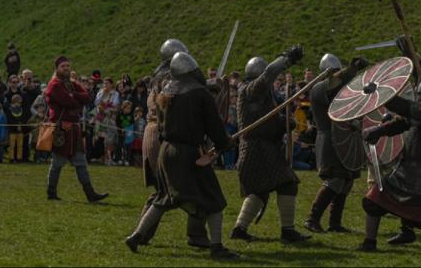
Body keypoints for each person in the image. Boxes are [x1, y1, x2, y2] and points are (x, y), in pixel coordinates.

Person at [126, 50, 238, 260]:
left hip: (166, 151)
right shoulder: (200, 94)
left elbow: (161, 125)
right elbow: (213, 124)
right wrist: (225, 143)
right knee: (214, 200)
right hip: (188, 154)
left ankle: (136, 235)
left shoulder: (166, 91)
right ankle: (217, 247)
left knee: (164, 198)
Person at [357, 69, 421, 252]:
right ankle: (369, 242)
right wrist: (376, 132)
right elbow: (402, 122)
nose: (419, 98)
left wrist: (380, 94)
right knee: (373, 201)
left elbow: (405, 108)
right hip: (406, 166)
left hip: (419, 170)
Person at [231, 46, 310, 244]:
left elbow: (266, 119)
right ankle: (287, 231)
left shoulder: (258, 94)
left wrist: (285, 122)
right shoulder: (250, 90)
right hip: (257, 150)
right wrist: (286, 58)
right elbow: (268, 75)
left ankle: (240, 229)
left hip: (263, 149)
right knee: (285, 184)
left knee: (263, 189)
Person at [304, 53, 369, 234]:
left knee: (346, 181)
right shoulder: (318, 88)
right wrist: (352, 68)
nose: (336, 74)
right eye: (334, 72)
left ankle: (335, 223)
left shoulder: (339, 89)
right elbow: (333, 87)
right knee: (335, 180)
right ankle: (312, 219)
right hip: (328, 138)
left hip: (344, 138)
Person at [43, 55, 108, 203]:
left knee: (81, 162)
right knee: (57, 163)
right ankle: (51, 192)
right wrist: (76, 99)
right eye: (63, 66)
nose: (66, 68)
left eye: (67, 66)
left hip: (74, 129)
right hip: (61, 129)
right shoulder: (54, 85)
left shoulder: (72, 84)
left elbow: (88, 97)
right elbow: (69, 102)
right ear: (57, 68)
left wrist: (75, 96)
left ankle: (90, 194)